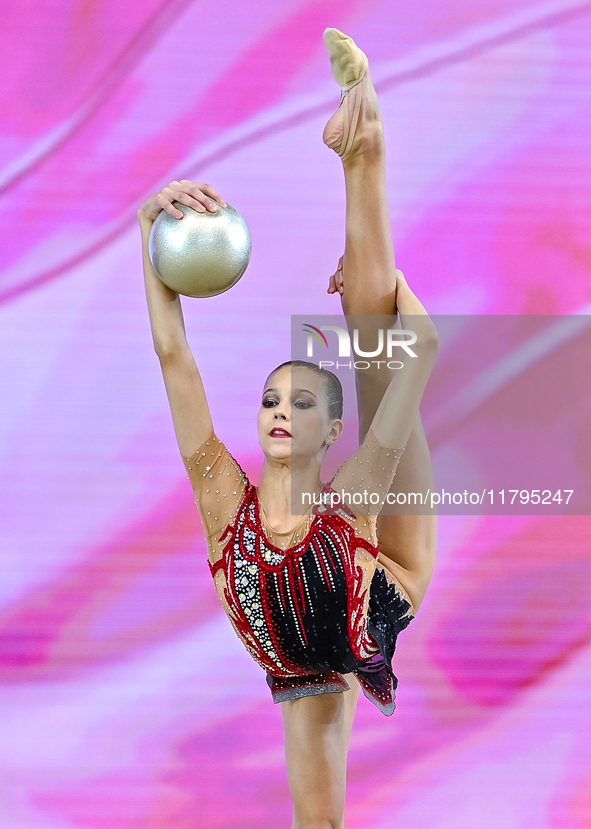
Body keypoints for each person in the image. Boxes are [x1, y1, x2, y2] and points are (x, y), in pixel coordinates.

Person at [137, 27, 439, 829]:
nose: (279, 410)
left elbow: (419, 352)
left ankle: (360, 140)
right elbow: (175, 359)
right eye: (273, 399)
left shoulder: (352, 495)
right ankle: (362, 147)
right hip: (308, 666)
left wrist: (390, 285)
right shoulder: (223, 505)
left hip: (388, 573)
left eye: (301, 403)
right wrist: (149, 236)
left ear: (325, 430)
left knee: (378, 354)